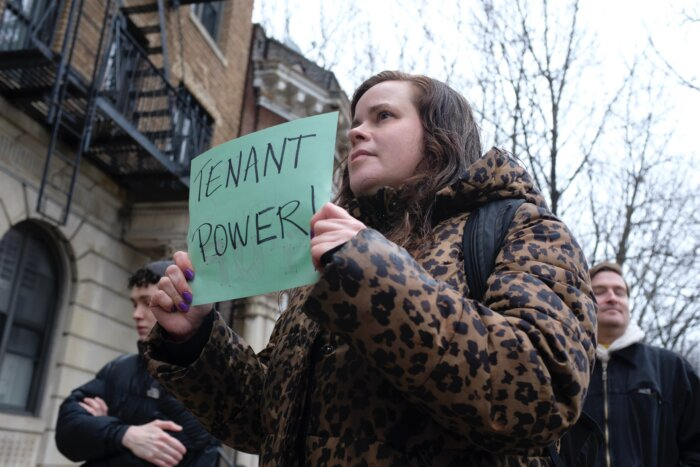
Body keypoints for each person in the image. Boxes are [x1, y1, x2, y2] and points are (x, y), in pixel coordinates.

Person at [144, 71, 597, 466]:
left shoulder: (521, 228)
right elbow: (266, 421)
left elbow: (540, 395)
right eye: (356, 122)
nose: (357, 132)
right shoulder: (325, 260)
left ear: (441, 135)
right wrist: (196, 340)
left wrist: (367, 272)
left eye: (383, 117)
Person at [55, 261, 220, 467]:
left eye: (147, 302)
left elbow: (174, 456)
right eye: (134, 304)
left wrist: (100, 432)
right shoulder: (119, 368)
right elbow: (66, 430)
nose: (136, 314)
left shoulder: (202, 379)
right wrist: (125, 434)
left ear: (178, 305)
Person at [576, 262, 700, 466]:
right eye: (600, 291)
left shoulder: (671, 368)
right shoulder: (566, 369)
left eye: (620, 292)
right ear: (584, 302)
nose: (612, 297)